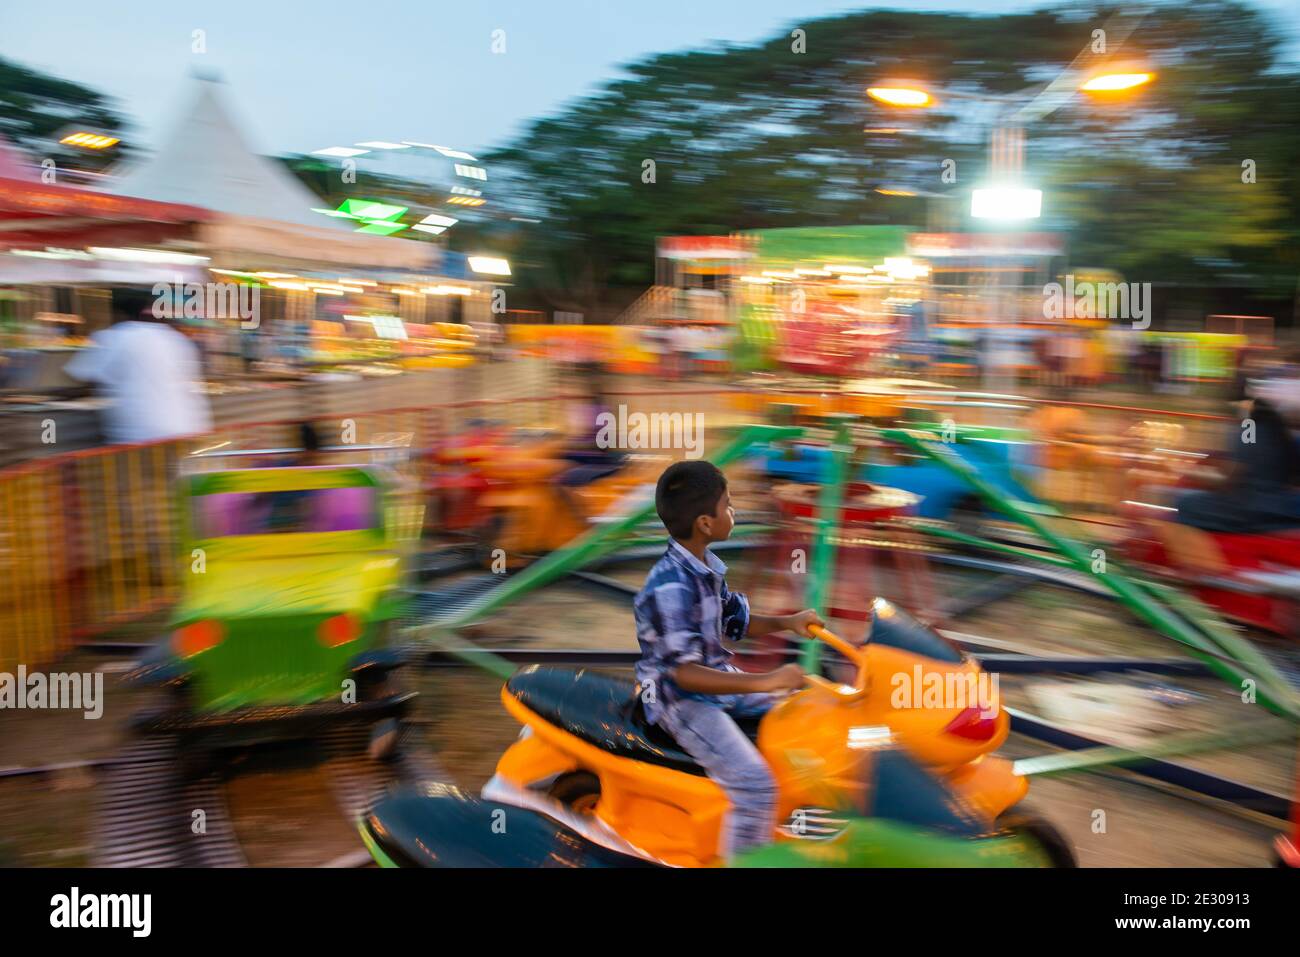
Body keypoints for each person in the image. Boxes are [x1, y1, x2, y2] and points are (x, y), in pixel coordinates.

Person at [634, 460, 822, 861]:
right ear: (705, 522)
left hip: (715, 677)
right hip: (679, 702)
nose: (734, 512)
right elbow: (684, 675)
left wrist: (790, 622)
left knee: (804, 706)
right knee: (755, 785)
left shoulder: (703, 569)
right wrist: (764, 681)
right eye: (730, 505)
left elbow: (735, 620)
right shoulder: (670, 586)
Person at [64, 287, 212, 444]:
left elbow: (77, 378)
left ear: (117, 313)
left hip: (141, 435)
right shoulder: (175, 338)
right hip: (188, 429)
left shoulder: (113, 336)